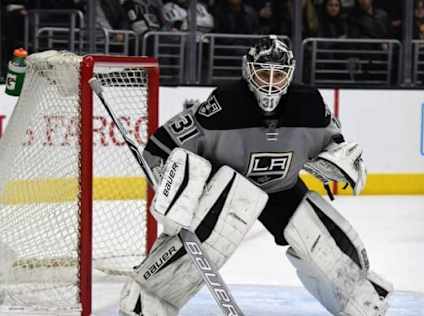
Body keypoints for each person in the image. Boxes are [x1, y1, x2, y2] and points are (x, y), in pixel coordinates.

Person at [119, 35, 393, 316]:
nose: (271, 82)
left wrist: (341, 162)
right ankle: (147, 298)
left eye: (279, 74)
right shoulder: (224, 105)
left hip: (283, 188)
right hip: (230, 187)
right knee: (211, 235)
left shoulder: (309, 105)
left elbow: (337, 146)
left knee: (318, 232)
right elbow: (161, 146)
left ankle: (360, 300)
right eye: (263, 72)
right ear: (248, 70)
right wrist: (172, 186)